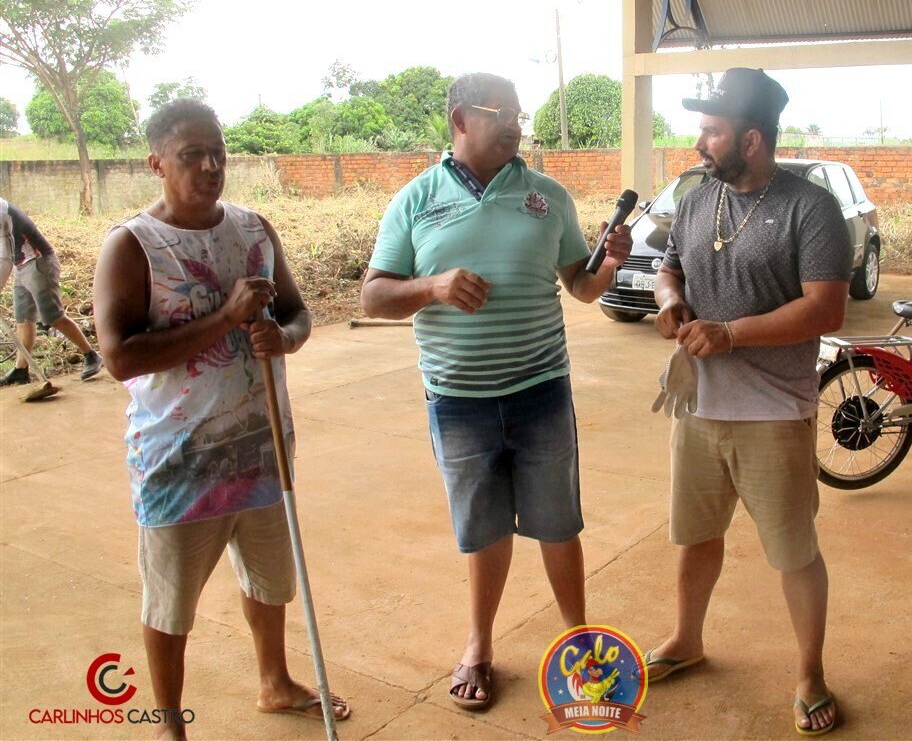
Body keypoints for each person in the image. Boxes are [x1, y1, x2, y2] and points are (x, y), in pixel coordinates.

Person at [360, 72, 632, 710]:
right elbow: (373, 295)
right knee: (483, 529)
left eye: (519, 111)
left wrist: (609, 262)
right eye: (499, 112)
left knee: (559, 524)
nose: (515, 123)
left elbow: (581, 287)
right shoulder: (415, 200)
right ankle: (479, 646)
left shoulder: (547, 196)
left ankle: (581, 646)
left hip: (541, 389)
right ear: (459, 120)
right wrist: (431, 287)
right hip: (458, 401)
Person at [93, 99, 348, 739]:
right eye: (191, 156)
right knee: (172, 601)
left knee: (271, 580)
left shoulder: (255, 229)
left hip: (263, 449)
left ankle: (275, 682)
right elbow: (120, 357)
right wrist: (227, 319)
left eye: (218, 154)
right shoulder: (131, 247)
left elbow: (297, 312)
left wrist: (284, 339)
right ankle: (170, 723)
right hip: (180, 462)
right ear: (156, 163)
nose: (210, 167)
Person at [648, 68, 851, 736]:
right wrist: (672, 301)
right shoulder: (700, 196)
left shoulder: (811, 207)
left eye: (712, 130)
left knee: (792, 550)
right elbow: (668, 264)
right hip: (698, 404)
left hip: (774, 411)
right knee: (696, 536)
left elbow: (826, 308)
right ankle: (686, 637)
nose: (700, 141)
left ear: (753, 139)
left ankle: (809, 672)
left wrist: (730, 333)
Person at [0, 196, 103, 385]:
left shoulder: (1, 212)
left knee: (52, 317)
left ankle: (91, 355)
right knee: (23, 319)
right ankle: (21, 370)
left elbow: (4, 259)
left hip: (39, 263)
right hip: (21, 264)